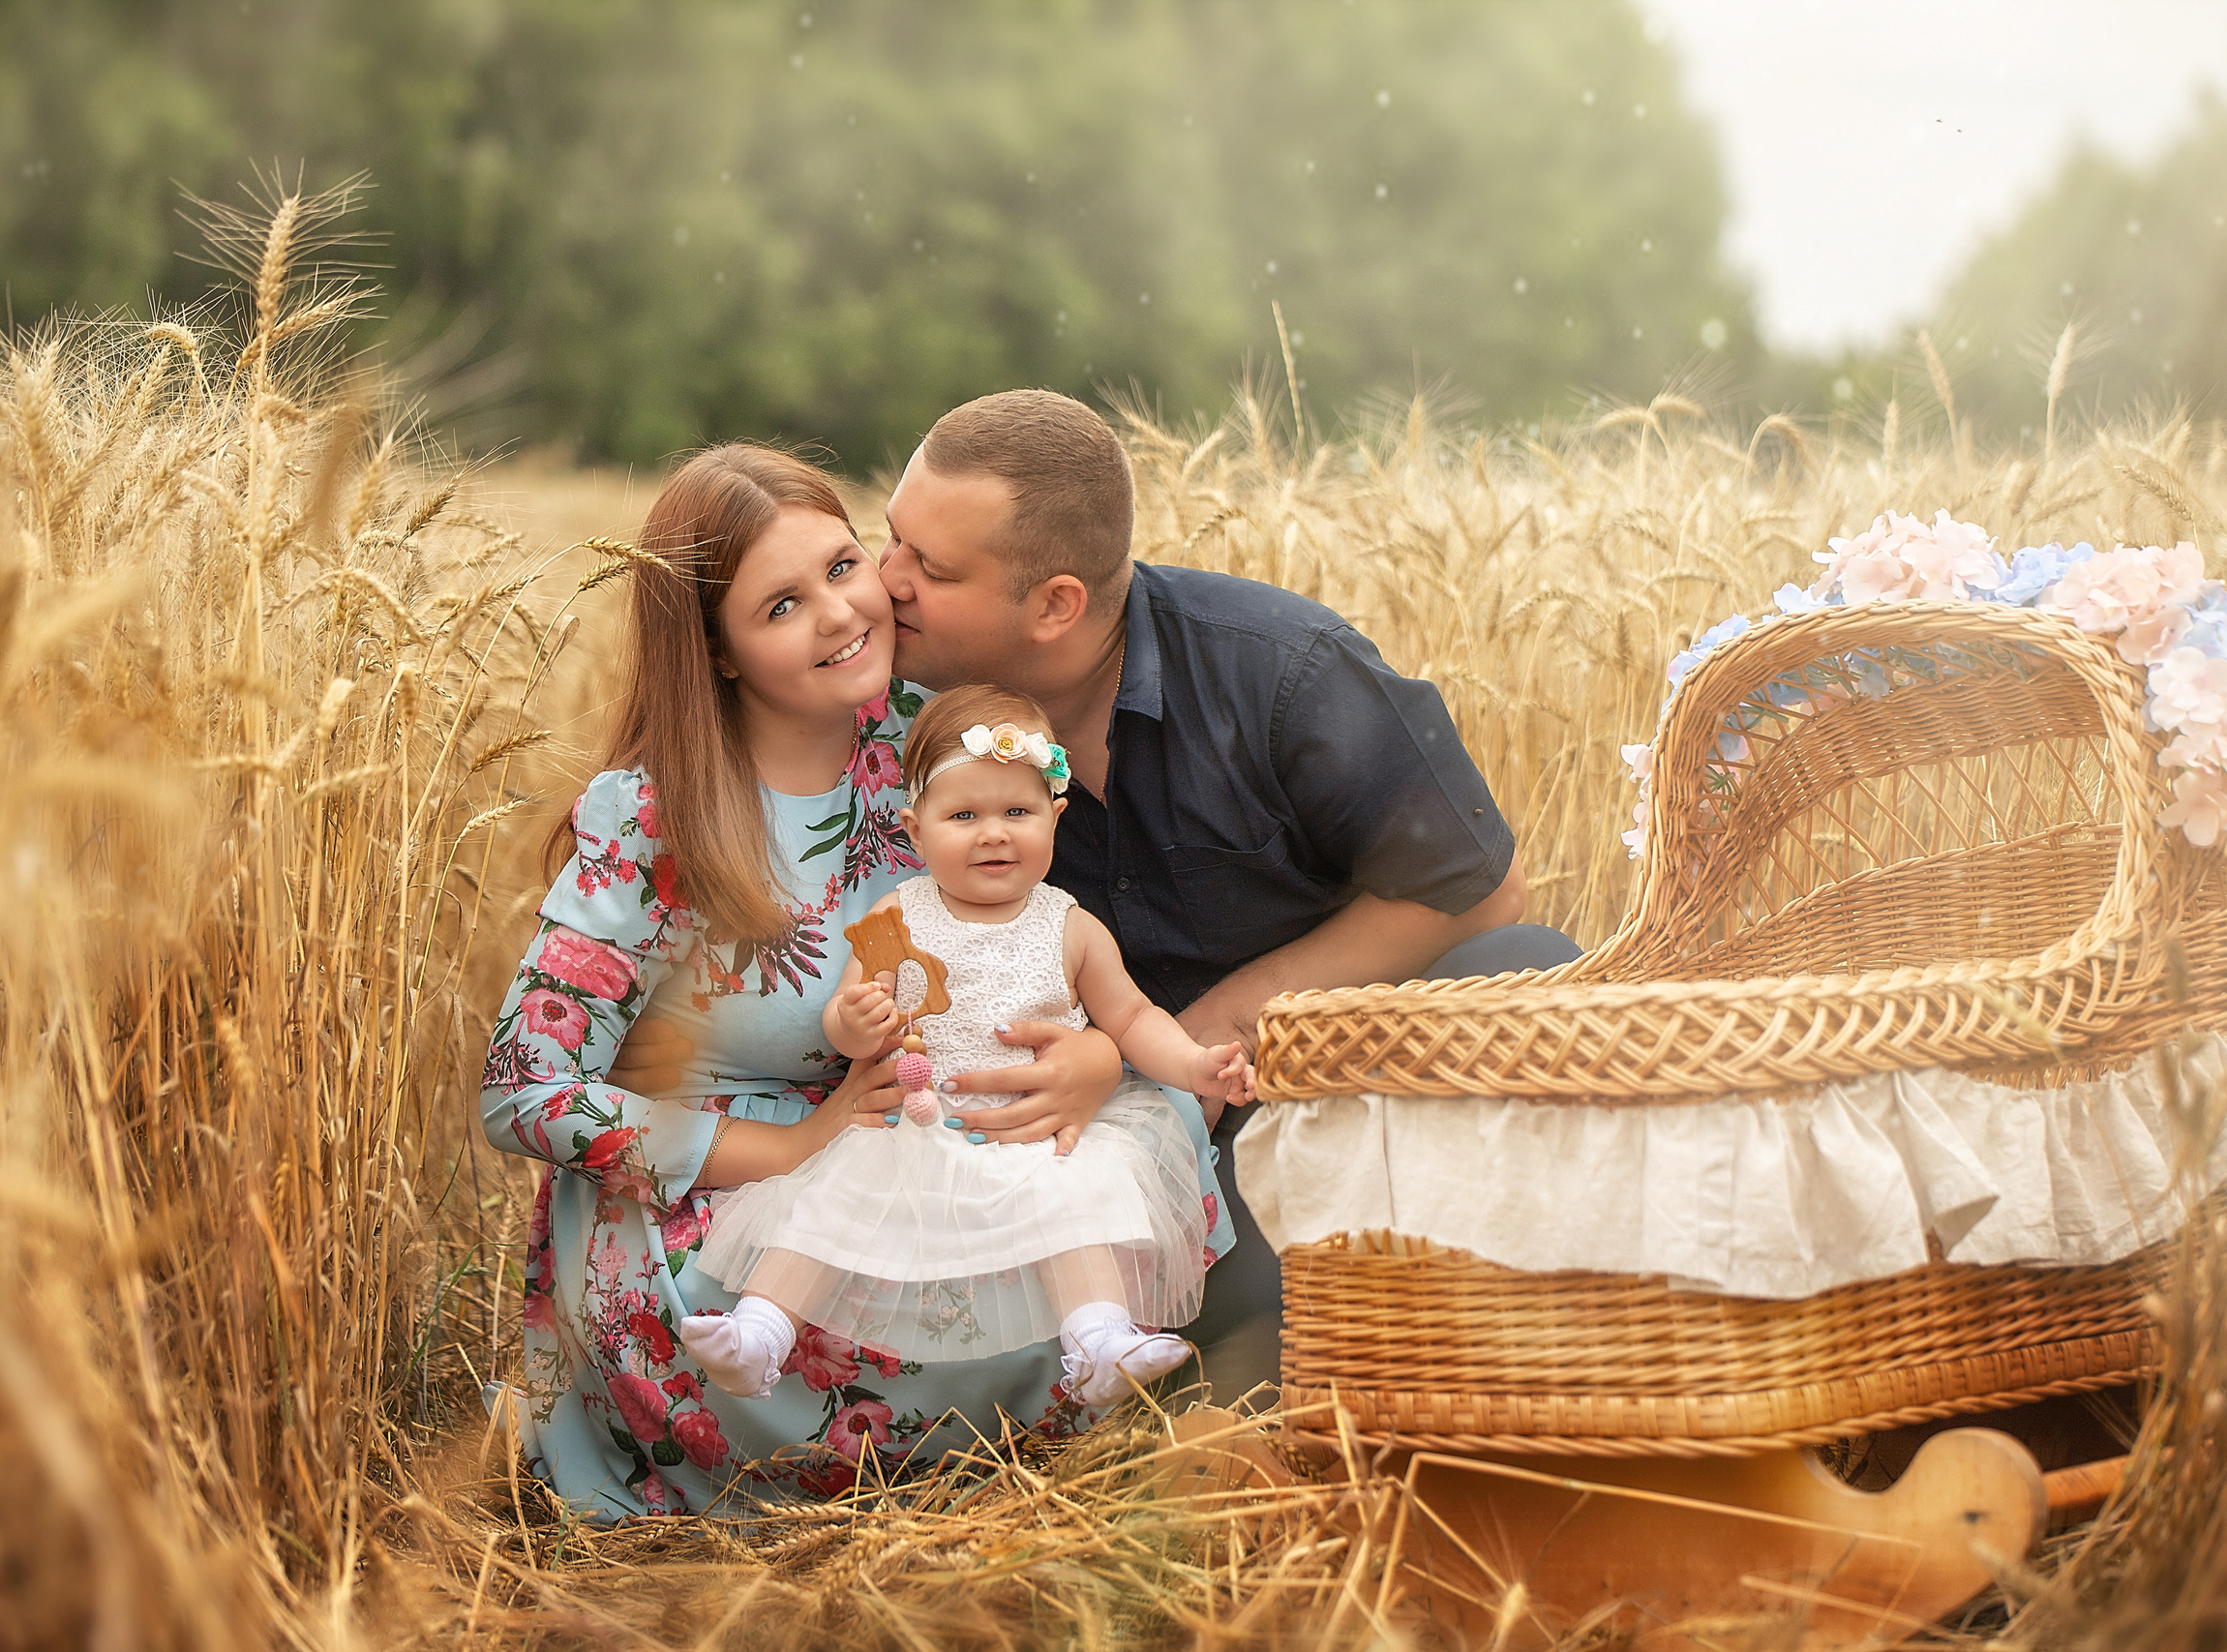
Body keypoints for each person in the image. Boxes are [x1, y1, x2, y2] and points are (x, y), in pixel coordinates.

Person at [613, 390, 1577, 1397]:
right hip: (1107, 1148)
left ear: (1055, 605)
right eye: (890, 540)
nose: (882, 586)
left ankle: (1462, 1310)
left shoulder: (1280, 674)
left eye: (930, 569)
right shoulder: (897, 732)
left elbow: (1480, 886)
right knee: (1217, 1335)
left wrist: (1166, 1048)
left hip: (1334, 1073)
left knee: (1535, 974)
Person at [480, 444, 1235, 1520]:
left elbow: (1065, 945)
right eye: (782, 605)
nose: (840, 614)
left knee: (1147, 1115)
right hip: (738, 1185)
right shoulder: (654, 816)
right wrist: (791, 1146)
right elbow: (523, 1088)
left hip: (931, 1136)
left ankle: (1057, 1381)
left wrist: (1094, 1055)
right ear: (721, 651)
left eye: (843, 566)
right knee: (790, 1299)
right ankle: (828, 1434)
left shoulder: (937, 749)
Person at [679, 684, 1252, 1407]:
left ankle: (1100, 1342)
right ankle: (760, 1331)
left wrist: (1197, 1062)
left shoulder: (1071, 927)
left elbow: (1134, 1020)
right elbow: (844, 1020)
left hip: (1032, 1133)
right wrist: (857, 1021)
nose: (993, 833)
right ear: (916, 832)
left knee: (1079, 1193)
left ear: (1055, 816)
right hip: (913, 1124)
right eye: (964, 815)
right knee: (827, 1199)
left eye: (1018, 811)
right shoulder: (899, 915)